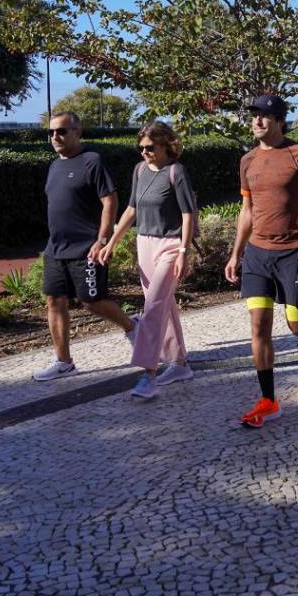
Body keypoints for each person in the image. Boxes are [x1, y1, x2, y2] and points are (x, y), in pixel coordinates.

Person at [224, 95, 298, 428]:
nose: (258, 121)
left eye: (265, 116)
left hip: (294, 251)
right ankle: (269, 400)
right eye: (255, 116)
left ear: (279, 121)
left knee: (297, 324)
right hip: (258, 254)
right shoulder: (247, 161)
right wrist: (236, 253)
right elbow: (246, 211)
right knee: (258, 326)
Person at [33, 112, 137, 381]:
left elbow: (110, 201)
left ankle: (132, 327)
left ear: (77, 132)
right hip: (56, 248)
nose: (55, 136)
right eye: (51, 132)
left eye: (62, 131)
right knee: (54, 301)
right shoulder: (54, 166)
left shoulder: (92, 161)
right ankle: (64, 362)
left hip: (86, 247)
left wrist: (102, 239)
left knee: (93, 302)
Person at [100, 122, 197, 398]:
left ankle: (148, 373)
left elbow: (188, 215)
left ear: (166, 144)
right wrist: (112, 242)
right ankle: (179, 363)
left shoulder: (176, 171)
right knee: (164, 304)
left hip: (170, 244)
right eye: (141, 148)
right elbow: (131, 208)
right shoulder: (140, 170)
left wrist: (183, 252)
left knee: (153, 306)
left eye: (150, 148)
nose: (145, 153)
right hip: (145, 242)